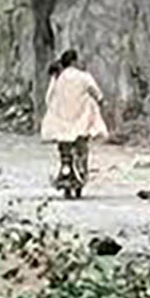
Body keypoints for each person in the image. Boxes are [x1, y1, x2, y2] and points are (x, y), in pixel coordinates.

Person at [41, 48, 108, 197]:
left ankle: (65, 170)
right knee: (81, 147)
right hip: (81, 121)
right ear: (74, 61)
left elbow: (48, 98)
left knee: (64, 150)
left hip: (62, 123)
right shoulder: (84, 77)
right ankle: (81, 173)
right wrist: (100, 101)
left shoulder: (58, 77)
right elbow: (97, 93)